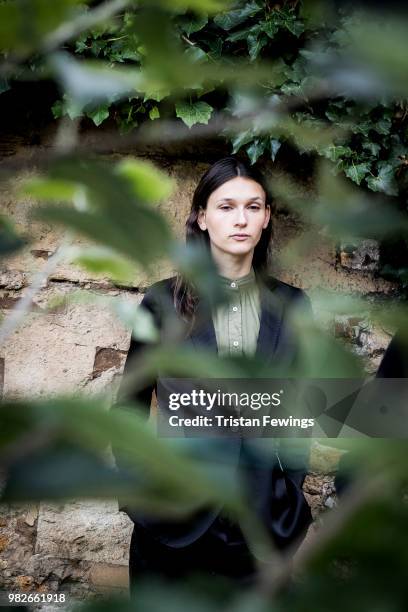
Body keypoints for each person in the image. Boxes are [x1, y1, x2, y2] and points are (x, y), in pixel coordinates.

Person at [113, 156, 313, 590]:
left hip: (259, 528)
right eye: (226, 207)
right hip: (171, 525)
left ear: (266, 218)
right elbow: (128, 405)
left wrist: (289, 494)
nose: (240, 220)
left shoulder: (295, 306)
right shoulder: (161, 301)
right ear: (202, 218)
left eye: (253, 206)